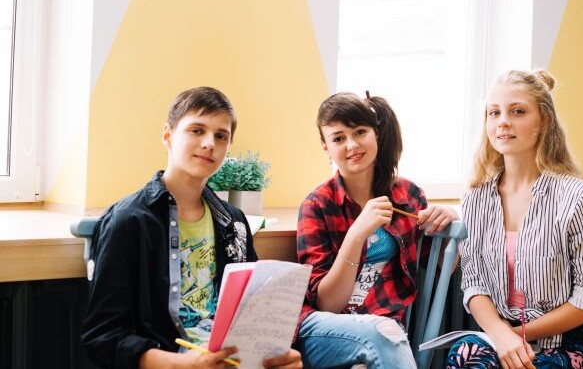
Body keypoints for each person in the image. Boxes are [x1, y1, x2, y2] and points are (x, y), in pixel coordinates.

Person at [81, 87, 302, 369]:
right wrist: (182, 365)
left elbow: (253, 318)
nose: (209, 143)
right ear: (168, 135)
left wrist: (278, 357)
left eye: (221, 136)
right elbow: (103, 338)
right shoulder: (128, 221)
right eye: (197, 130)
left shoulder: (233, 222)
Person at [445, 70, 583, 369]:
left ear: (544, 121)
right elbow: (474, 284)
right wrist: (500, 335)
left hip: (569, 340)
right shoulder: (475, 198)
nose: (503, 121)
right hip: (501, 333)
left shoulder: (581, 198)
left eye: (518, 111)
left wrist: (515, 337)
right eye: (494, 112)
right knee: (464, 356)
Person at [294, 92, 459, 368]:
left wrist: (448, 221)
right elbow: (328, 304)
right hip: (332, 331)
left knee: (384, 337)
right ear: (326, 148)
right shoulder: (317, 205)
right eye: (338, 139)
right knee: (384, 335)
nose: (352, 145)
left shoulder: (407, 195)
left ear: (377, 134)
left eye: (360, 132)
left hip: (388, 329)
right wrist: (357, 234)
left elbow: (443, 266)